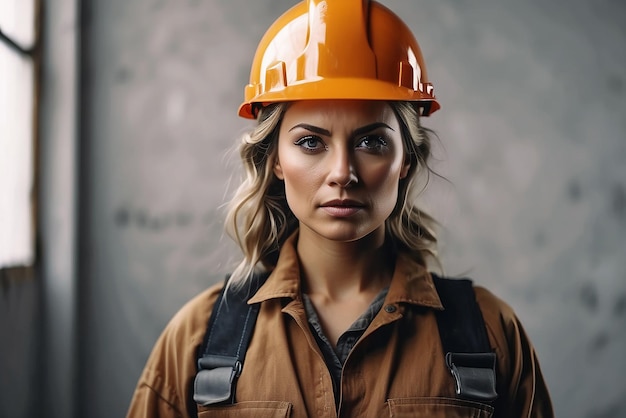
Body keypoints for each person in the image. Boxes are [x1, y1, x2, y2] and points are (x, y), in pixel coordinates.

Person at [127, 0, 554, 417]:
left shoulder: (492, 334)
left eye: (372, 142)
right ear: (275, 159)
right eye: (311, 142)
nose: (342, 173)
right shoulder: (196, 340)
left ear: (405, 158)